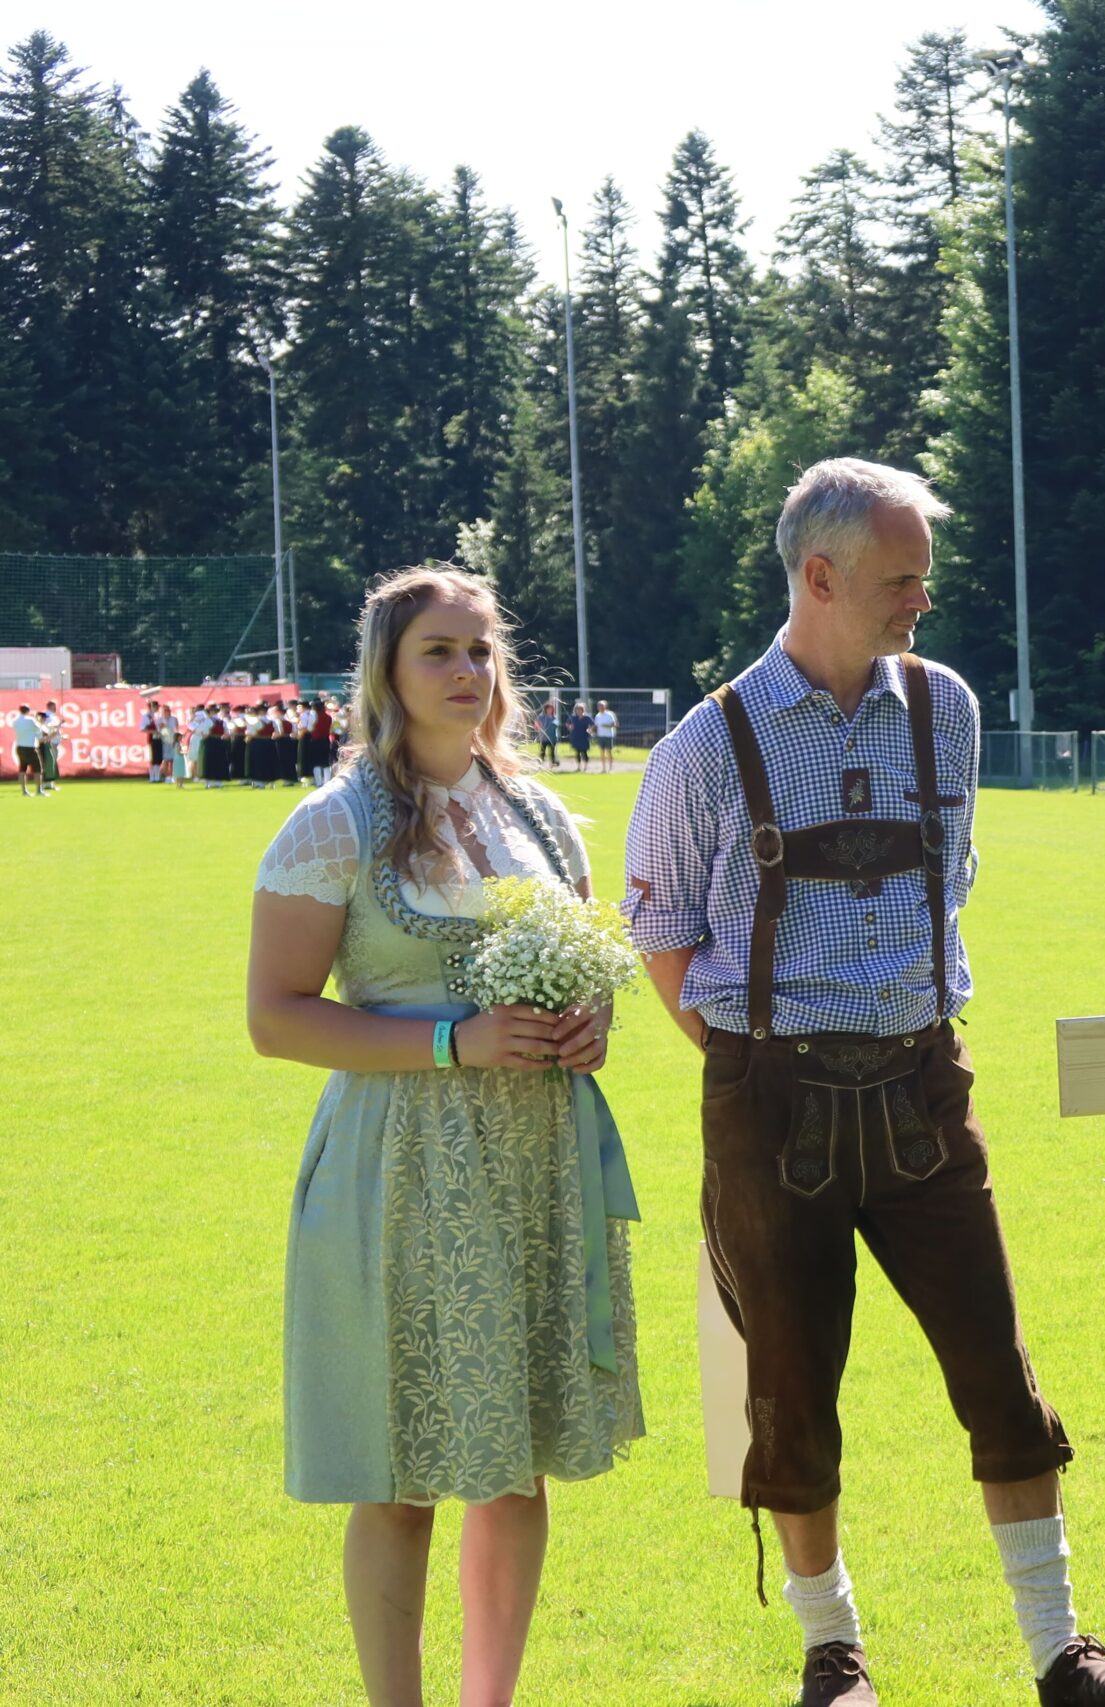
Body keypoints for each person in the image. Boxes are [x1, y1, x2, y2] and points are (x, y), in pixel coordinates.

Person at [623, 457, 1105, 1707]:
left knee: (998, 1372)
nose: (923, 599)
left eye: (924, 575)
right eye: (901, 579)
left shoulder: (947, 707)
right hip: (771, 1104)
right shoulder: (707, 745)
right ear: (819, 577)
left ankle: (1059, 1652)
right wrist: (759, 1067)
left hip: (925, 1087)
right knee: (789, 1393)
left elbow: (951, 878)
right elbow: (661, 938)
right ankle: (834, 1659)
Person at [246, 564, 641, 1707]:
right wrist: (448, 1044)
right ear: (388, 668)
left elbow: (585, 964)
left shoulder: (538, 816)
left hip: (535, 1164)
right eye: (438, 650)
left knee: (515, 1471)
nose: (467, 670)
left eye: (479, 650)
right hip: (403, 1166)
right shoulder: (335, 823)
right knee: (401, 1471)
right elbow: (275, 1017)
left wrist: (589, 1022)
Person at [12, 704, 38, 797]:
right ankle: (39, 790)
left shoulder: (15, 721)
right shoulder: (31, 720)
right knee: (37, 769)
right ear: (28, 711)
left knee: (22, 769)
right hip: (30, 747)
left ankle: (24, 790)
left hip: (20, 747)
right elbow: (38, 729)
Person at [37, 702, 62, 792]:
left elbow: (50, 733)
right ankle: (45, 784)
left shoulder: (44, 726)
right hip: (44, 746)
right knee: (46, 765)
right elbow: (43, 738)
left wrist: (56, 732)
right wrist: (56, 729)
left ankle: (50, 783)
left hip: (49, 744)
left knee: (50, 765)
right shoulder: (40, 727)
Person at [566, 700, 592, 772]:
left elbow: (592, 725)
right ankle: (579, 766)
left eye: (580, 709)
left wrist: (590, 729)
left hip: (584, 737)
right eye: (577, 709)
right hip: (575, 737)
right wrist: (570, 728)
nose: (578, 711)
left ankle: (585, 767)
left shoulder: (587, 718)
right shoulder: (573, 717)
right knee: (577, 752)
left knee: (584, 752)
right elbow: (567, 724)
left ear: (583, 710)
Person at [592, 699, 617, 772]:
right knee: (602, 752)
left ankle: (610, 768)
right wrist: (591, 730)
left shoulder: (610, 715)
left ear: (605, 706)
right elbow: (596, 726)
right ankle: (603, 768)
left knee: (609, 752)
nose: (600, 707)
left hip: (608, 736)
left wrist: (607, 726)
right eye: (599, 706)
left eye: (602, 706)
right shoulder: (597, 716)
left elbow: (614, 724)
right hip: (600, 735)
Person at [536, 698, 559, 770]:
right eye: (548, 709)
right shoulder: (541, 717)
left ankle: (552, 765)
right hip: (543, 738)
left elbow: (557, 725)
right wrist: (539, 728)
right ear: (545, 709)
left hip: (552, 738)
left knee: (552, 753)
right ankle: (540, 765)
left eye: (551, 709)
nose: (549, 710)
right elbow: (537, 725)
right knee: (542, 752)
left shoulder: (555, 717)